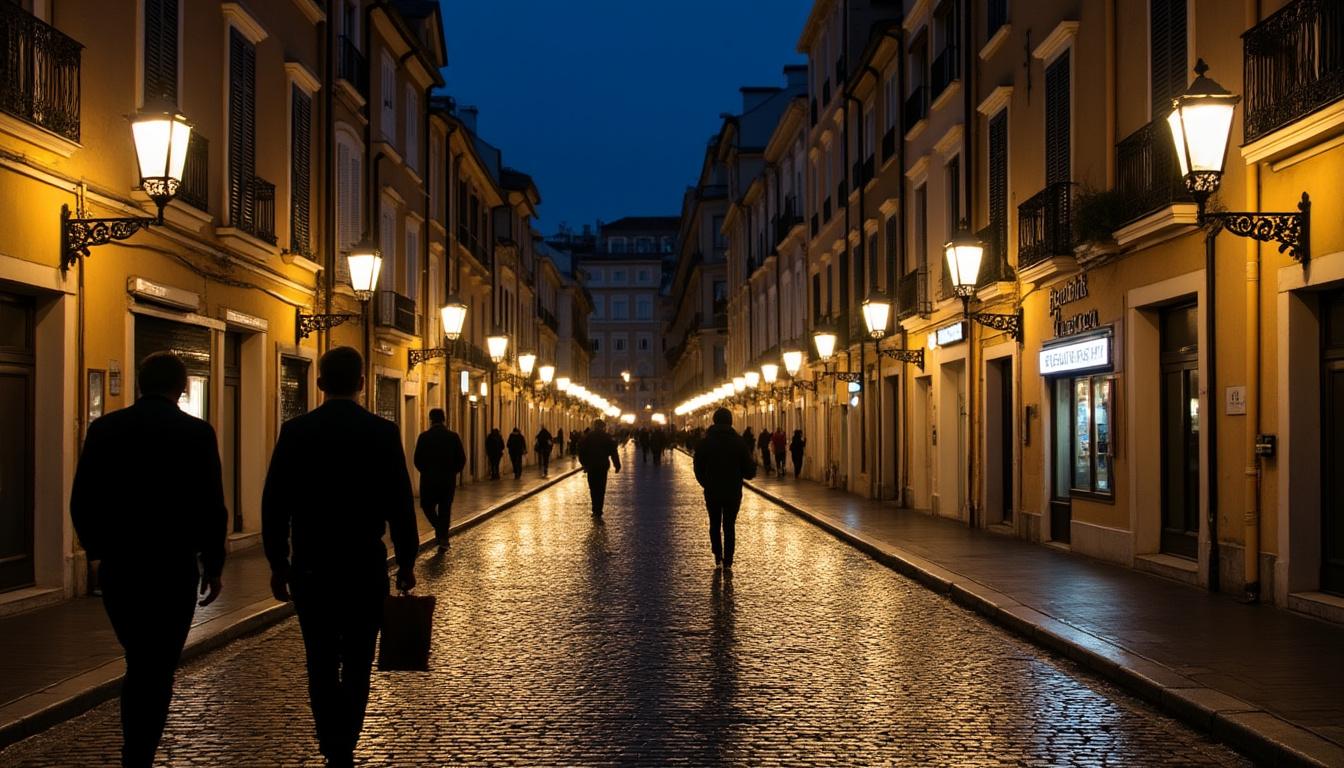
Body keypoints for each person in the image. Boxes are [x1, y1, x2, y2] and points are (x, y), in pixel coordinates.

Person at [262, 347, 418, 768]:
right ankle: (346, 739)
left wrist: (278, 561)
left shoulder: (296, 432)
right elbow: (400, 503)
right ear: (363, 383)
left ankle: (330, 739)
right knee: (358, 659)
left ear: (320, 383)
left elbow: (274, 502)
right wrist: (406, 560)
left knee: (320, 656)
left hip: (312, 566)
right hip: (364, 564)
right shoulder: (382, 433)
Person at [70, 352, 227, 768]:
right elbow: (212, 504)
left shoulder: (106, 428)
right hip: (173, 566)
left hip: (122, 566)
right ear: (184, 387)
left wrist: (99, 551)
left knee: (139, 657)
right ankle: (139, 751)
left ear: (140, 384)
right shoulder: (196, 433)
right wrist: (213, 565)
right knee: (157, 664)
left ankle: (135, 751)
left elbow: (82, 498)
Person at [693, 408, 757, 571]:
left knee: (714, 523)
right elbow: (749, 471)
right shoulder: (739, 442)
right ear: (730, 422)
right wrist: (743, 474)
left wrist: (706, 483)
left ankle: (717, 555)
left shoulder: (705, 442)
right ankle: (728, 559)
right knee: (729, 525)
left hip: (712, 491)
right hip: (732, 491)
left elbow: (697, 468)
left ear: (714, 421)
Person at [413, 408, 466, 553]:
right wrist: (452, 472)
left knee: (427, 506)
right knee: (445, 509)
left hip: (428, 480)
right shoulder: (453, 437)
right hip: (447, 480)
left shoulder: (424, 437)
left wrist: (426, 471)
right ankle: (443, 535)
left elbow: (417, 460)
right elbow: (461, 459)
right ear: (444, 419)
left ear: (431, 419)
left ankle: (440, 531)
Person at [577, 418, 621, 516]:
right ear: (603, 427)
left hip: (591, 466)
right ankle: (599, 509)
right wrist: (617, 465)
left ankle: (594, 508)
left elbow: (581, 451)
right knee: (601, 488)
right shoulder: (607, 437)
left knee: (593, 488)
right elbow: (613, 452)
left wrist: (584, 464)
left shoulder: (588, 437)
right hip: (602, 466)